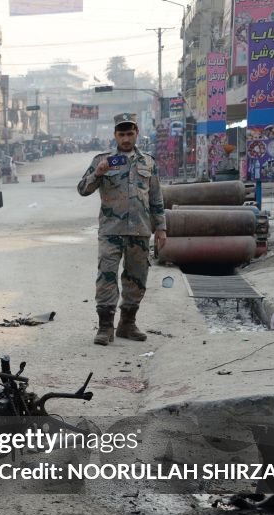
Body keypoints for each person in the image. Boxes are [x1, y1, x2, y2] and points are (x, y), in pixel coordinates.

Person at [77, 112, 166, 346]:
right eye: (121, 134)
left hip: (140, 230)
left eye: (130, 133)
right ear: (115, 135)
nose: (126, 138)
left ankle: (127, 323)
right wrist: (99, 173)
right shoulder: (102, 160)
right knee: (106, 275)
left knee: (136, 278)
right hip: (111, 231)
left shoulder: (148, 162)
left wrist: (162, 229)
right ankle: (105, 327)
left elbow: (156, 198)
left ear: (137, 133)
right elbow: (83, 189)